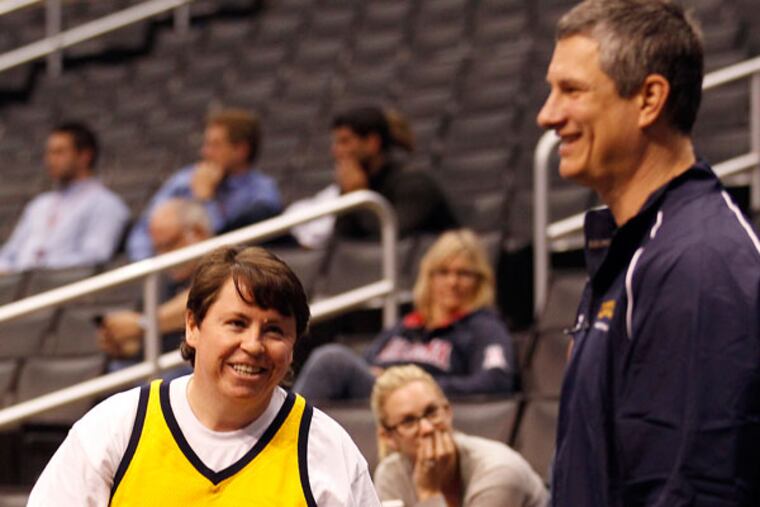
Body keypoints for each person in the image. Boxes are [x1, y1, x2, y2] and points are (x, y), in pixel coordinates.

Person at [536, 0, 760, 505]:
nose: (547, 115)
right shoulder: (636, 249)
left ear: (649, 99)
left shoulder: (700, 263)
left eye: (571, 91)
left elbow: (695, 490)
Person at [28, 245, 382, 506]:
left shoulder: (327, 449)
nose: (253, 345)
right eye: (236, 324)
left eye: (274, 330)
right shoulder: (116, 428)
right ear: (193, 326)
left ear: (293, 344)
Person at [294, 229, 515, 401]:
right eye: (443, 272)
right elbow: (366, 366)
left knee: (332, 361)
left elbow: (496, 381)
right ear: (429, 277)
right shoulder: (407, 325)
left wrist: (415, 383)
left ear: (480, 280)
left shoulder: (485, 327)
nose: (452, 282)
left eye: (463, 273)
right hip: (377, 404)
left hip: (418, 403)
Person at [371, 365, 548, 507]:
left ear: (448, 411)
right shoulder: (390, 476)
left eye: (432, 412)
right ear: (388, 437)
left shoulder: (499, 471)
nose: (427, 428)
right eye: (408, 421)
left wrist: (429, 493)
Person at [125, 109, 283, 260]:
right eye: (206, 144)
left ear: (241, 150)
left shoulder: (261, 194)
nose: (205, 152)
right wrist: (152, 270)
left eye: (215, 145)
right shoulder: (184, 180)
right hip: (167, 274)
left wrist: (205, 199)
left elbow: (223, 247)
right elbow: (142, 233)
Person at [287, 107, 442, 249]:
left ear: (372, 143)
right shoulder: (353, 184)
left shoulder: (415, 184)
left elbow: (387, 240)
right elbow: (341, 243)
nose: (335, 151)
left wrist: (359, 195)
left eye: (345, 142)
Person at [97, 198, 212, 373]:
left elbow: (203, 298)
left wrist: (141, 324)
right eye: (157, 248)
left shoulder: (229, 264)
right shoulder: (163, 280)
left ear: (198, 233)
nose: (163, 255)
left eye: (169, 245)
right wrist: (125, 343)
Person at [0, 122, 129, 273]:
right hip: (20, 287)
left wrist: (36, 272)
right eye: (49, 153)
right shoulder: (39, 204)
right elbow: (8, 254)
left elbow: (94, 257)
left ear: (84, 156)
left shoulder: (106, 204)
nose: (50, 160)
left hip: (62, 289)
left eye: (59, 152)